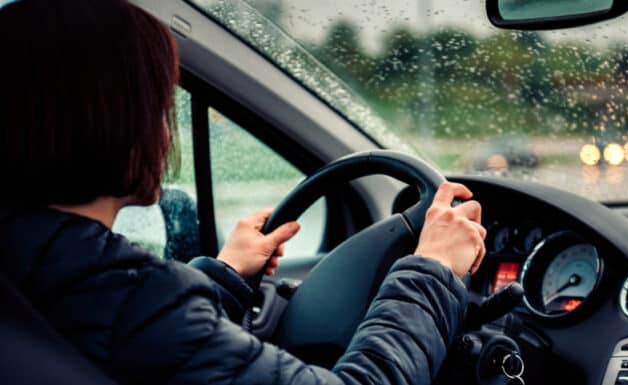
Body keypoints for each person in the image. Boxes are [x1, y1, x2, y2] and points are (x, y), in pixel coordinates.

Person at [0, 1, 488, 385]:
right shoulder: (131, 296)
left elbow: (127, 339)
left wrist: (223, 275)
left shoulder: (39, 271)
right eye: (159, 109)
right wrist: (434, 270)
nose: (166, 135)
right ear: (113, 122)